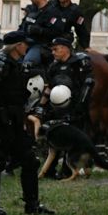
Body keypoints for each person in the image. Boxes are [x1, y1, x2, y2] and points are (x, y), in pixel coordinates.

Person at [0, 34, 51, 215]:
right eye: (26, 44)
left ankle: (32, 205)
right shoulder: (0, 62)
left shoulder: (15, 62)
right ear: (17, 45)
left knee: (30, 161)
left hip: (15, 121)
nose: (27, 48)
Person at [40, 35, 95, 176]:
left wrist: (80, 106)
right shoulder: (53, 66)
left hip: (77, 106)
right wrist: (41, 106)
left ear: (65, 49)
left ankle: (71, 169)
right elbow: (49, 88)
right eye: (52, 50)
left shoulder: (79, 63)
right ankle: (50, 170)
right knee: (56, 137)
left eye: (55, 49)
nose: (53, 52)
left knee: (76, 138)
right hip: (57, 107)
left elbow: (88, 84)